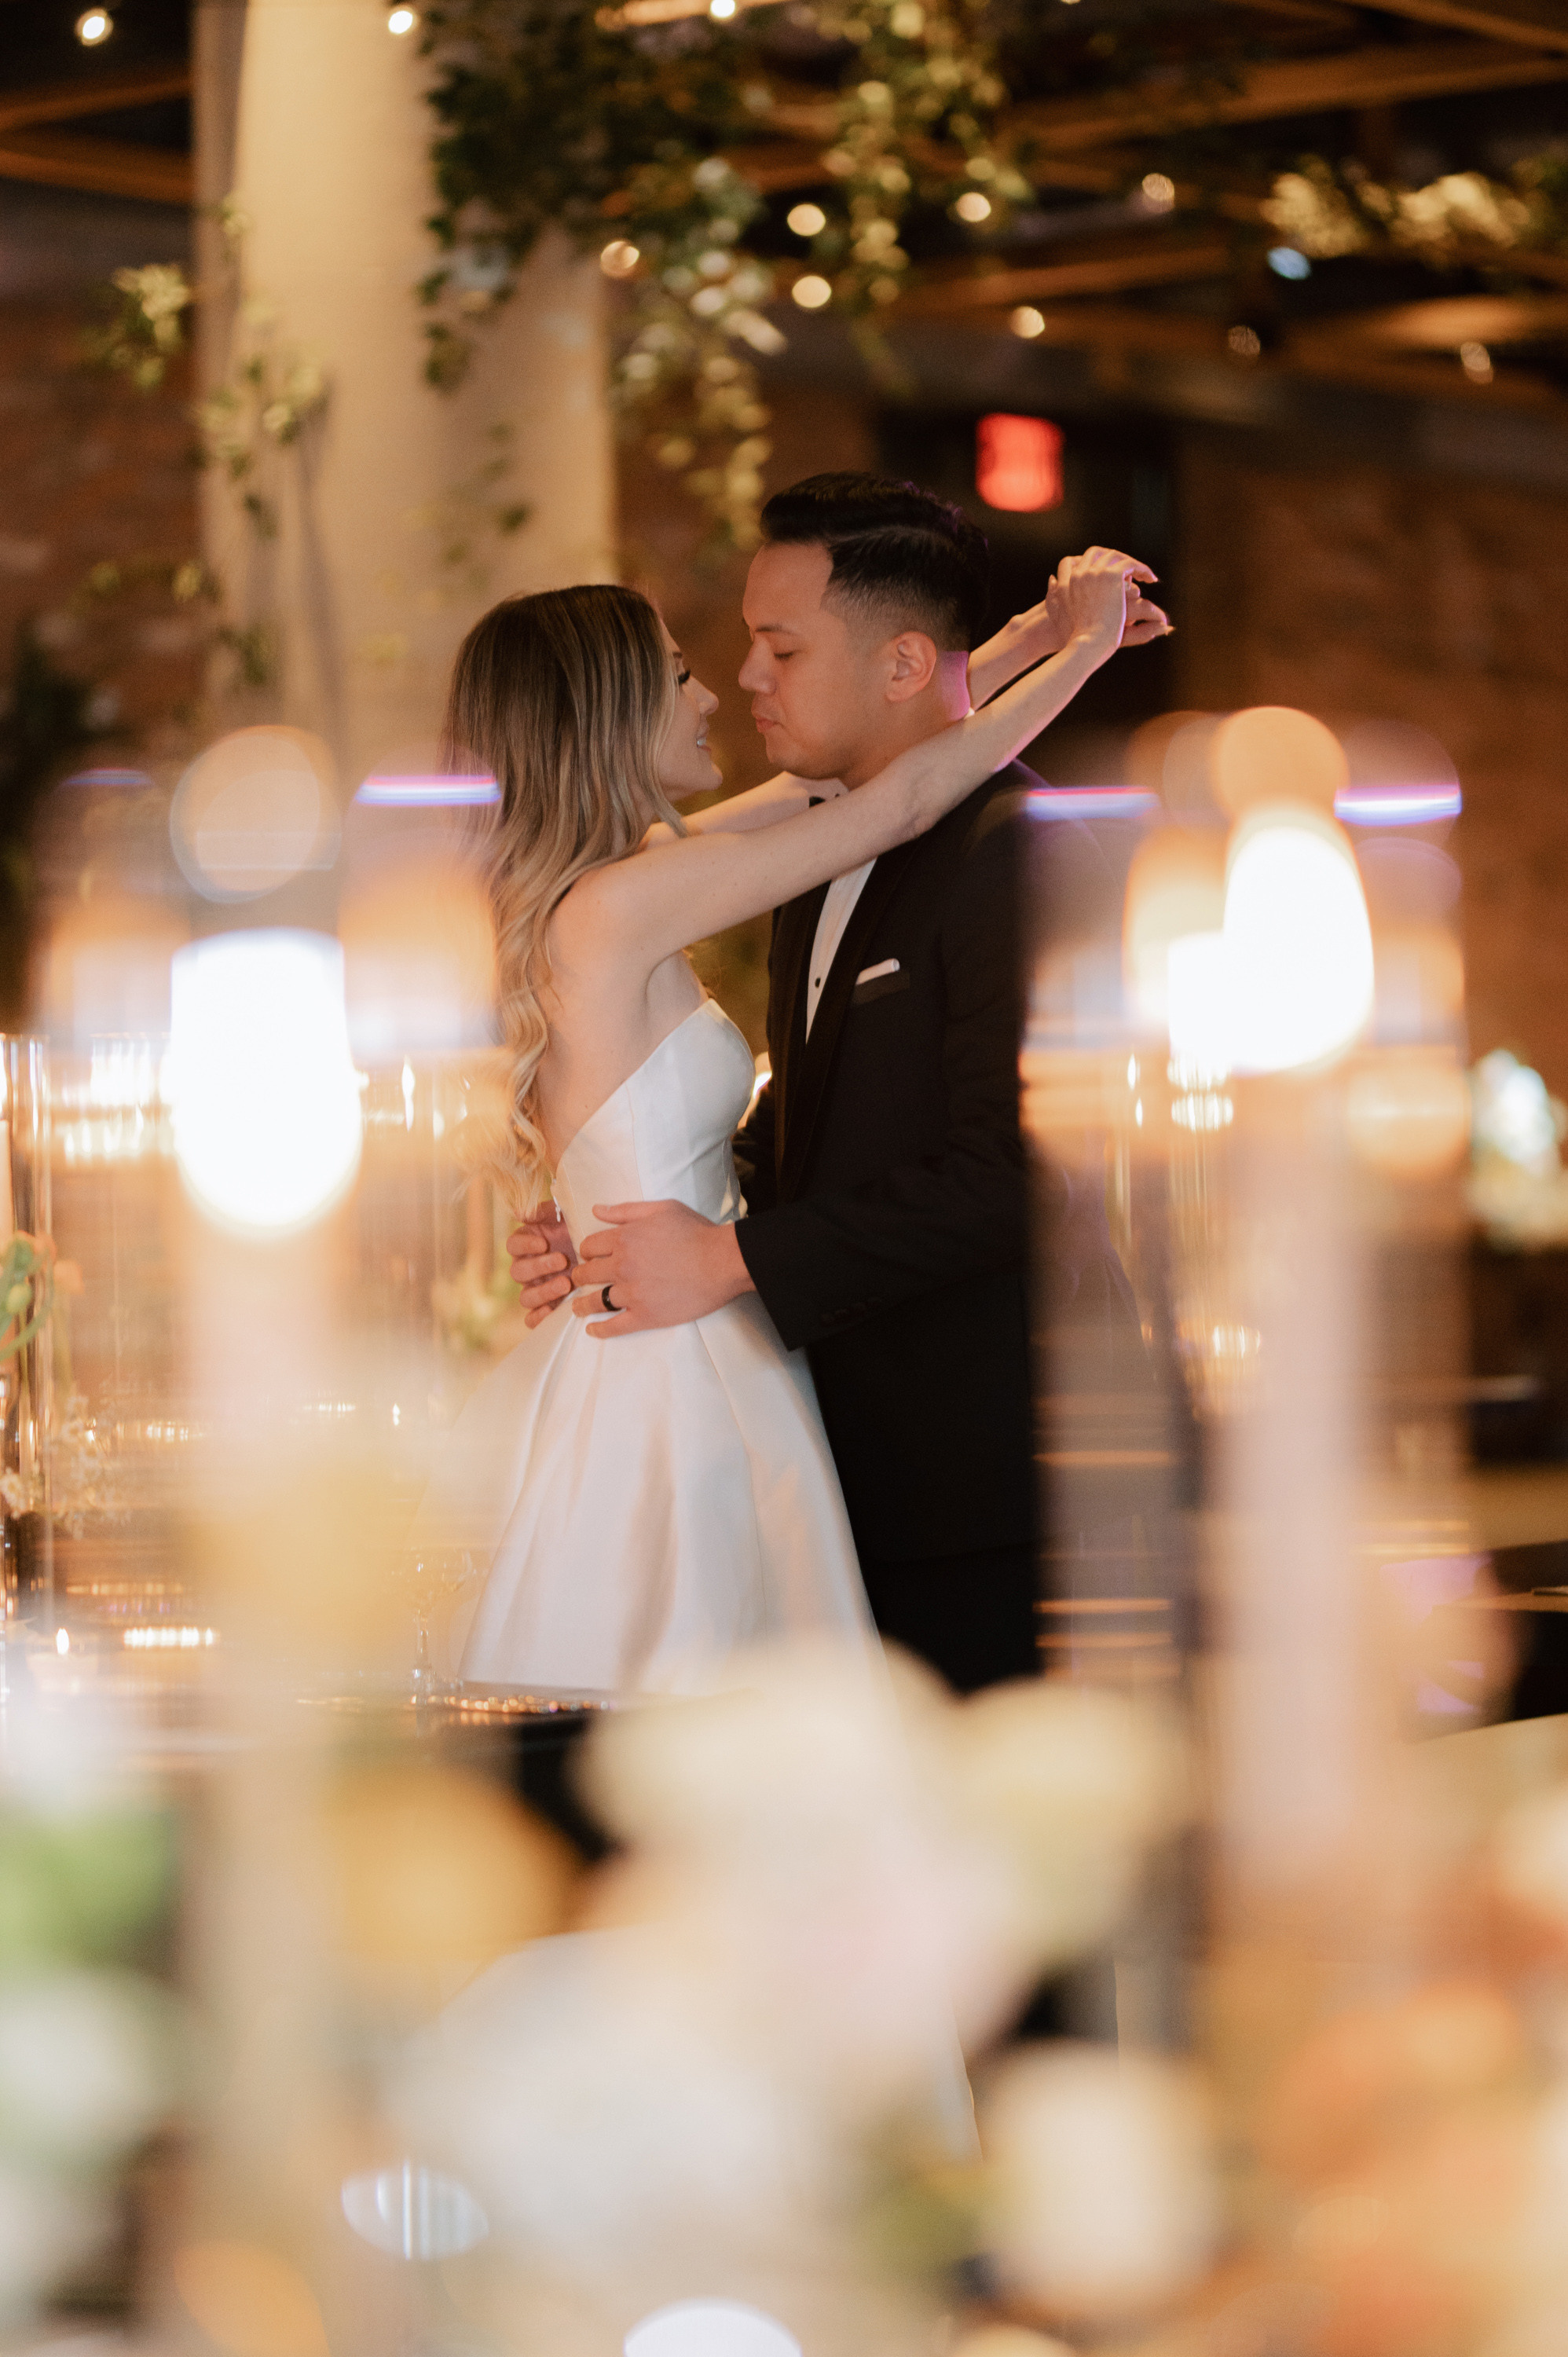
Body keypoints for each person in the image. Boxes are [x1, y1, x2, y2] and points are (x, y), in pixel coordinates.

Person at [419, 519, 1164, 1695]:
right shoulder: (626, 905)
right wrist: (1087, 657)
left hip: (672, 1309)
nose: (716, 692)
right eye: (677, 675)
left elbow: (832, 775)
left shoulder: (606, 892)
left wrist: (1020, 639)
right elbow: (895, 801)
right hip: (683, 1348)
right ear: (612, 714)